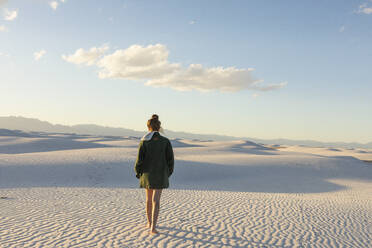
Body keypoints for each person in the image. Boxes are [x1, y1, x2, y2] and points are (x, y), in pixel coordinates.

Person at [134, 114, 174, 235]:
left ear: (148, 127)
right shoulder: (165, 141)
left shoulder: (144, 141)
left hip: (147, 174)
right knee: (156, 200)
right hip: (161, 173)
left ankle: (149, 223)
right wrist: (168, 173)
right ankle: (153, 227)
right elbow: (170, 160)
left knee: (148, 199)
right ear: (159, 127)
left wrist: (138, 172)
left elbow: (139, 160)